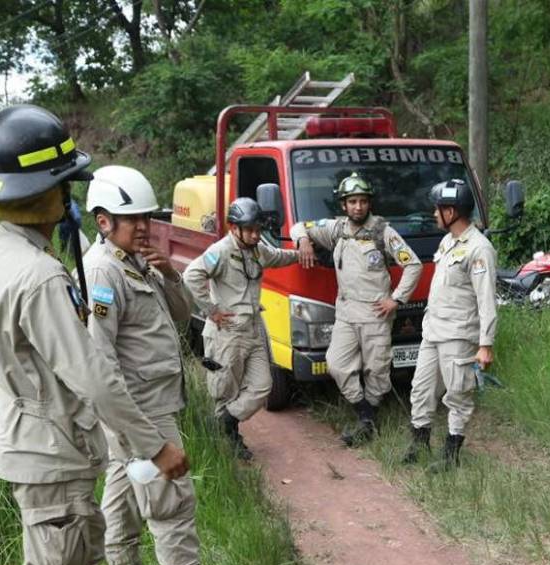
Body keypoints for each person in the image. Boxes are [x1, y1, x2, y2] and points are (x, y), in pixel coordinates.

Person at [0, 105, 188, 565]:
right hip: (45, 438)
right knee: (53, 558)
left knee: (79, 537)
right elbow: (96, 377)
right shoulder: (38, 276)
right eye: (63, 185)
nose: (69, 197)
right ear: (44, 193)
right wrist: (155, 445)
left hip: (37, 432)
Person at [84, 165, 233, 565]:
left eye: (148, 218)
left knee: (123, 486)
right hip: (140, 411)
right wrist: (147, 438)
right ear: (104, 220)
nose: (145, 227)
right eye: (134, 220)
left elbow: (182, 313)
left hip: (147, 404)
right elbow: (100, 359)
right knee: (170, 497)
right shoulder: (103, 271)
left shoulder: (133, 261)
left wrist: (169, 274)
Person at [291, 172, 422, 445]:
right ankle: (365, 414)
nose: (358, 207)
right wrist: (304, 241)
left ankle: (366, 421)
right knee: (337, 364)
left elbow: (413, 265)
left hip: (376, 314)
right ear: (343, 205)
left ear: (369, 203)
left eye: (362, 201)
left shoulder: (382, 231)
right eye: (352, 202)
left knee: (377, 370)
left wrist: (396, 299)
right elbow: (298, 226)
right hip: (347, 314)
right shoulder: (336, 229)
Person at [183, 198, 297, 460]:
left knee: (262, 386)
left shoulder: (257, 250)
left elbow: (278, 257)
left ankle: (225, 421)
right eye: (250, 229)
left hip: (254, 329)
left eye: (258, 229)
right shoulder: (220, 251)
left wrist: (300, 254)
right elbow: (191, 276)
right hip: (228, 332)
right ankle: (226, 443)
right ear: (234, 228)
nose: (256, 234)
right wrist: (212, 311)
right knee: (224, 388)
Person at [401, 179, 497, 469]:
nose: (434, 214)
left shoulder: (479, 249)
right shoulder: (447, 242)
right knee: (421, 388)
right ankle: (420, 443)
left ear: (452, 211)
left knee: (458, 393)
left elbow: (487, 300)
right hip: (433, 331)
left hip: (459, 334)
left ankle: (451, 454)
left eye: (438, 209)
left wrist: (485, 345)